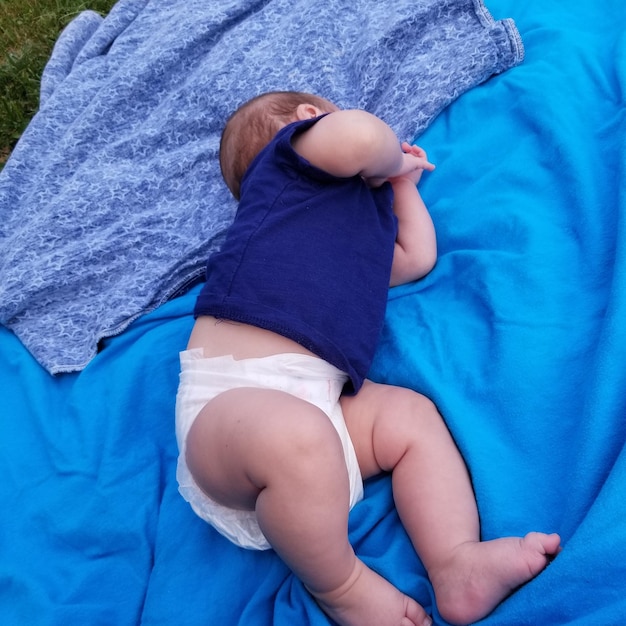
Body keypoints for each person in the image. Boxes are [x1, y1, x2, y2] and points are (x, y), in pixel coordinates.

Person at [175, 91, 561, 626]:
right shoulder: (287, 169)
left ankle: (454, 561)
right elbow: (358, 137)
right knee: (296, 436)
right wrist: (393, 159)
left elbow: (414, 259)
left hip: (322, 426)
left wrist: (402, 187)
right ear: (309, 121)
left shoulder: (352, 232)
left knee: (411, 419)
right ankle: (343, 587)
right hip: (230, 412)